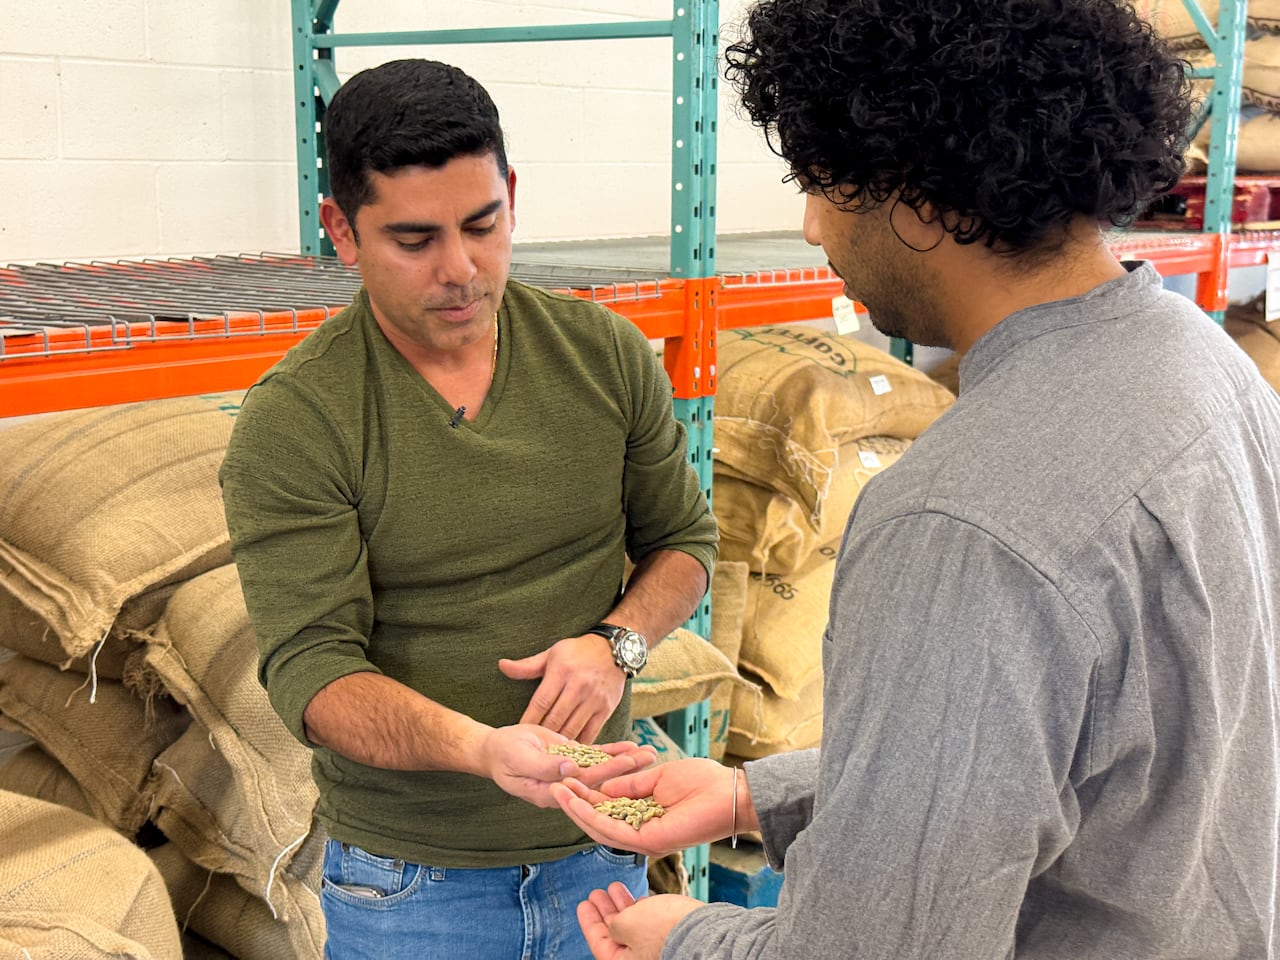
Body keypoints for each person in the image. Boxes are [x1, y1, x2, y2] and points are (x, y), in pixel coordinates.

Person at [552, 1, 1280, 957]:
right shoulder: (1198, 363)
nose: (812, 225)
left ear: (920, 190)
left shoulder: (959, 519)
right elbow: (1080, 750)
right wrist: (751, 791)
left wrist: (687, 937)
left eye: (823, 182)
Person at [218, 58, 718, 959]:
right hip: (412, 889)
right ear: (342, 230)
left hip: (604, 853)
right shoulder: (300, 420)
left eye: (482, 226)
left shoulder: (603, 355)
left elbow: (684, 543)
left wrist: (618, 646)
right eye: (414, 241)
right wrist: (482, 750)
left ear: (512, 197)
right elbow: (313, 676)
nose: (460, 269)